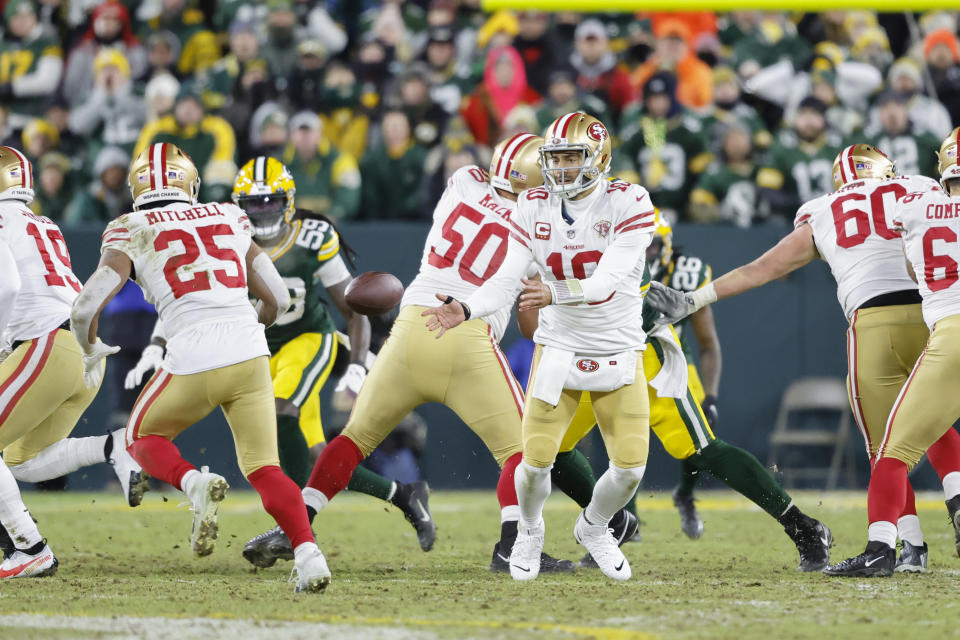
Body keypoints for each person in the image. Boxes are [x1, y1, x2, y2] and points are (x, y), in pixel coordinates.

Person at [244, 132, 638, 576]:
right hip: (467, 335)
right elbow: (530, 306)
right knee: (522, 451)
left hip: (411, 323)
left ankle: (297, 526)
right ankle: (512, 546)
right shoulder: (541, 222)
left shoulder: (464, 181)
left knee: (352, 440)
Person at [648, 144, 960, 574]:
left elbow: (762, 269)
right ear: (888, 171)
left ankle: (907, 544)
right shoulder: (921, 189)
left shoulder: (824, 209)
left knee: (886, 443)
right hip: (935, 313)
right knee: (931, 421)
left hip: (872, 320)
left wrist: (694, 298)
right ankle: (954, 497)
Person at [70, 142, 330, 593]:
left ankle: (193, 483)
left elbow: (84, 307)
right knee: (266, 469)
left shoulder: (129, 226)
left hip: (192, 352)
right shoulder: (226, 214)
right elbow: (280, 298)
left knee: (139, 437)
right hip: (249, 353)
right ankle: (309, 556)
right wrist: (251, 323)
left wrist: (90, 350)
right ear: (189, 181)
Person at [519, 216, 833, 571]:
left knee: (703, 449)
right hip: (577, 354)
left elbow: (699, 337)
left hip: (639, 354)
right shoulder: (559, 229)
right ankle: (612, 520)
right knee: (547, 448)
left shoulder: (624, 226)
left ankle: (803, 526)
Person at [425, 113, 653, 582]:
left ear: (599, 158)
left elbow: (609, 280)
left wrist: (555, 291)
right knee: (535, 461)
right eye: (556, 158)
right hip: (561, 346)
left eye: (573, 157)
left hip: (618, 346)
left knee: (629, 470)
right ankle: (529, 530)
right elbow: (506, 278)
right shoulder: (533, 205)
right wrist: (466, 308)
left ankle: (593, 526)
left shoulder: (628, 201)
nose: (562, 169)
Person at [0, 145, 146, 579]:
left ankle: (29, 547)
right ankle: (112, 446)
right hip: (81, 351)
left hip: (45, 344)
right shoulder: (41, 221)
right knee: (21, 459)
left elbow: (7, 286)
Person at [823, 131, 960, 576]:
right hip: (931, 330)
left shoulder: (918, 206)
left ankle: (885, 547)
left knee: (893, 451)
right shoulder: (913, 189)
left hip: (944, 333)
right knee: (935, 433)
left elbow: (907, 261)